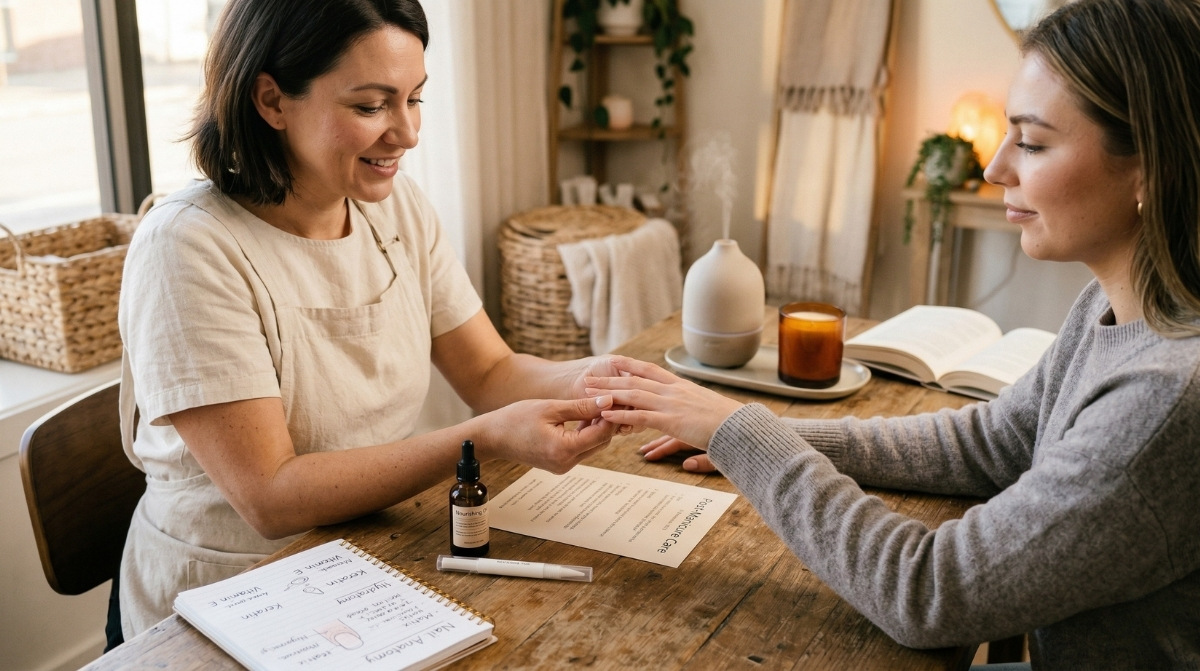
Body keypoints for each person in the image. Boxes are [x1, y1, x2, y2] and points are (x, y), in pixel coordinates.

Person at [585, 0, 1200, 667]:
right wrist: (752, 428)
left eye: (1032, 141)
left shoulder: (1165, 399)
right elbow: (995, 442)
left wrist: (747, 438)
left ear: (1149, 165)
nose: (995, 168)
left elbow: (929, 589)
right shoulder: (1112, 308)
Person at [116, 0, 624, 641]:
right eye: (371, 106)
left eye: (414, 99)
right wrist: (484, 438)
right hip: (226, 597)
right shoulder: (188, 248)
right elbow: (272, 497)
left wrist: (610, 380)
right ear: (272, 100)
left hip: (361, 559)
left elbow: (490, 370)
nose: (408, 133)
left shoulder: (394, 207)